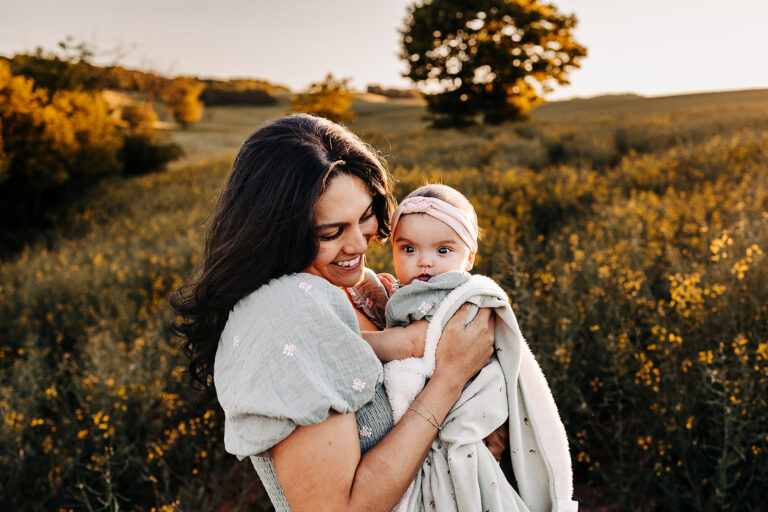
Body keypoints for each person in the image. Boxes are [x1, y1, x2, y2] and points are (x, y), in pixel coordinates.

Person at [169, 114, 496, 512]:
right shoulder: (288, 315)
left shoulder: (358, 286)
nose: (359, 244)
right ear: (276, 233)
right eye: (330, 232)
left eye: (365, 216)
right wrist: (450, 379)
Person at [361, 184, 578, 512]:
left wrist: (353, 339)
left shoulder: (454, 293)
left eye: (443, 250)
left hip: (461, 416)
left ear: (470, 257)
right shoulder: (418, 289)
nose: (425, 262)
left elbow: (411, 342)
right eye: (408, 249)